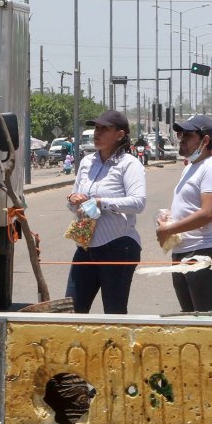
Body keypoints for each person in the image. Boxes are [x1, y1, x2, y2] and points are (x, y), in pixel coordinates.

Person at [66, 110, 147, 314]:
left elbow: (138, 203)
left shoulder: (129, 164)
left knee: (114, 313)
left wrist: (100, 202)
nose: (97, 133)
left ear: (119, 135)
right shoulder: (87, 162)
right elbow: (74, 200)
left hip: (118, 246)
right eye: (96, 128)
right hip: (86, 245)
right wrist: (73, 199)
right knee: (73, 310)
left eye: (104, 129)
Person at [157, 115, 212, 312]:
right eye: (181, 135)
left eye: (187, 135)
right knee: (188, 318)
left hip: (202, 252)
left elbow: (208, 213)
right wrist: (169, 219)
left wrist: (170, 229)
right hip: (182, 251)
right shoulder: (190, 167)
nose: (182, 139)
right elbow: (189, 206)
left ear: (205, 140)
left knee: (205, 321)